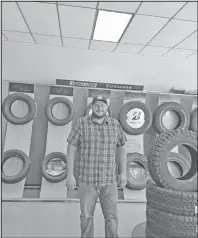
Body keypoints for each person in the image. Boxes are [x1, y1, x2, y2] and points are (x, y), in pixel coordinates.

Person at [66, 94, 127, 238]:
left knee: (112, 218)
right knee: (86, 217)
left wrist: (123, 172)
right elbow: (71, 148)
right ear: (92, 107)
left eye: (103, 105)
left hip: (109, 181)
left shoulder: (115, 125)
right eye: (97, 105)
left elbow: (122, 147)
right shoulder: (81, 124)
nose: (100, 108)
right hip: (87, 181)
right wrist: (69, 174)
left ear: (107, 108)